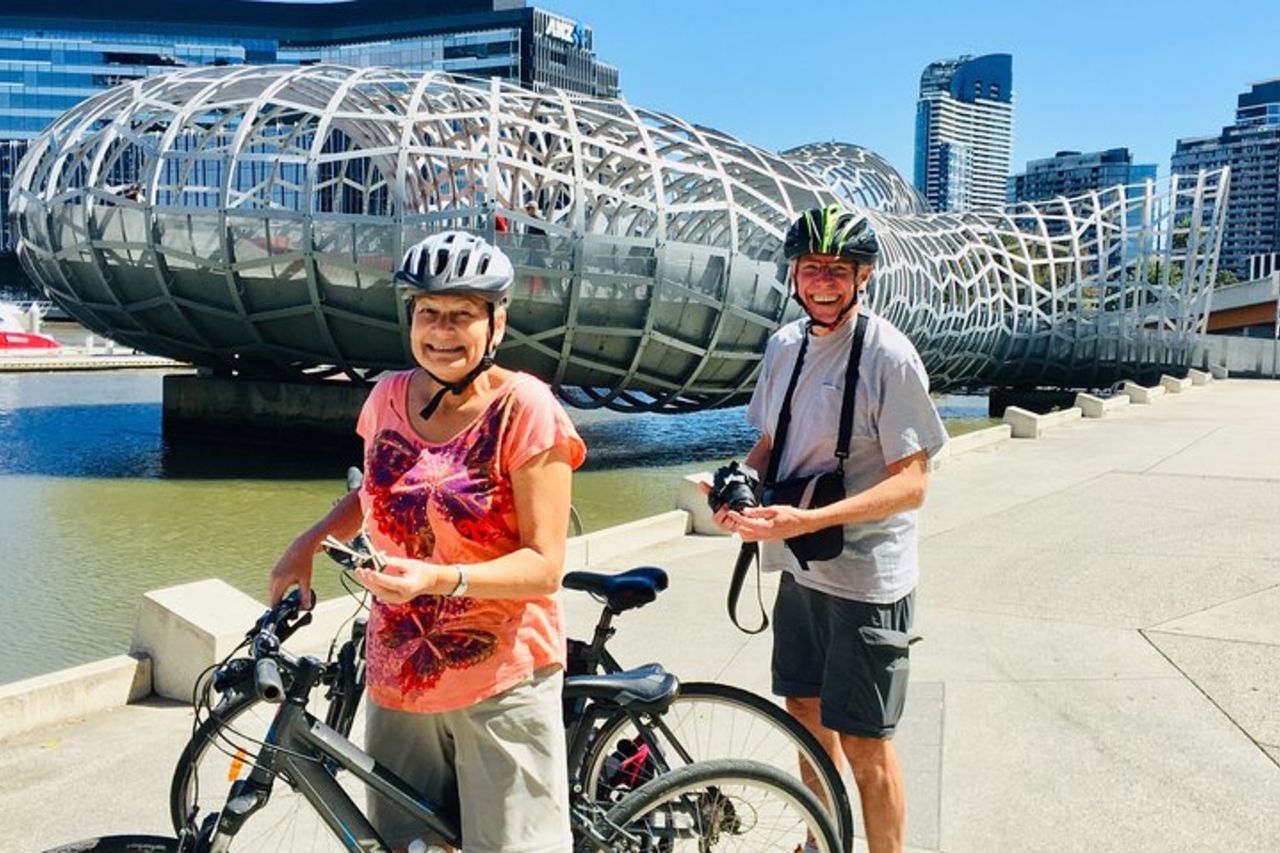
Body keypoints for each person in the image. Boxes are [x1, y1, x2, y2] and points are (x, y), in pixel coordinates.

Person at [268, 230, 585, 853]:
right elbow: (377, 492)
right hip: (401, 670)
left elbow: (546, 566)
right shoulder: (387, 395)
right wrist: (305, 542)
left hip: (502, 675)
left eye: (462, 313)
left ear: (496, 324)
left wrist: (437, 579)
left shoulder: (526, 409)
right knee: (405, 846)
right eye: (427, 312)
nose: (442, 329)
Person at [711, 204, 947, 853]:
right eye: (810, 268)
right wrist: (741, 487)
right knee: (806, 721)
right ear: (792, 273)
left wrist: (808, 517)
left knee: (868, 742)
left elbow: (913, 482)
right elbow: (768, 444)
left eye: (837, 270)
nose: (821, 281)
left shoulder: (889, 355)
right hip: (798, 567)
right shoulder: (785, 345)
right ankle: (819, 840)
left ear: (863, 276)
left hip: (869, 580)